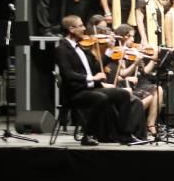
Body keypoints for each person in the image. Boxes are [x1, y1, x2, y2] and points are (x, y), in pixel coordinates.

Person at [55, 15, 147, 145]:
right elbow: (68, 74)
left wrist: (109, 50)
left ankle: (125, 135)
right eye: (80, 26)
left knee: (123, 94)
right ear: (71, 29)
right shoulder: (62, 49)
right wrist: (92, 78)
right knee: (100, 98)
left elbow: (95, 68)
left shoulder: (81, 47)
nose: (84, 29)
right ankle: (87, 135)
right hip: (75, 92)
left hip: (90, 88)